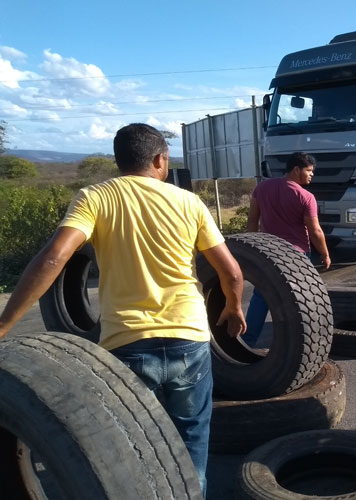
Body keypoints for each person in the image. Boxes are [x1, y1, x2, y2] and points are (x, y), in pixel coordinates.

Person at [0, 123, 246, 496]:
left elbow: (53, 259)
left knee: (132, 453)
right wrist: (232, 309)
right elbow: (231, 272)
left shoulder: (94, 197)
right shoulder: (188, 202)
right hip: (189, 338)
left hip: (126, 345)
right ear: (161, 160)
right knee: (192, 439)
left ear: (119, 161)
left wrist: (4, 325)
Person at [242, 152, 330, 346]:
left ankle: (247, 341)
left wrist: (253, 247)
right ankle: (297, 345)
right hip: (296, 256)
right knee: (300, 300)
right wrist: (324, 253)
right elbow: (314, 230)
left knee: (261, 296)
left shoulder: (262, 188)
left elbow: (252, 219)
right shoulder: (306, 196)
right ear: (296, 169)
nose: (311, 175)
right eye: (308, 170)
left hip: (267, 252)